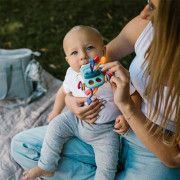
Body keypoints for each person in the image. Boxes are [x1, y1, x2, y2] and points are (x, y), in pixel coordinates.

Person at [11, 0, 180, 179]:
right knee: (22, 146)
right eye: (148, 2)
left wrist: (127, 108)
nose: (144, 13)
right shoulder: (146, 26)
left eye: (153, 7)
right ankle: (57, 166)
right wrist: (69, 101)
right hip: (98, 127)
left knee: (107, 163)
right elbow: (94, 59)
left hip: (151, 144)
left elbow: (174, 158)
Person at [19, 25, 141, 180]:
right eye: (74, 52)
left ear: (103, 51)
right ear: (68, 60)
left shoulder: (113, 73)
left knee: (108, 162)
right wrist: (55, 112)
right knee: (56, 126)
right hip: (75, 121)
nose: (83, 56)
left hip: (106, 130)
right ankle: (47, 166)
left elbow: (135, 95)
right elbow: (63, 92)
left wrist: (126, 117)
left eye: (89, 48)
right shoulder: (71, 74)